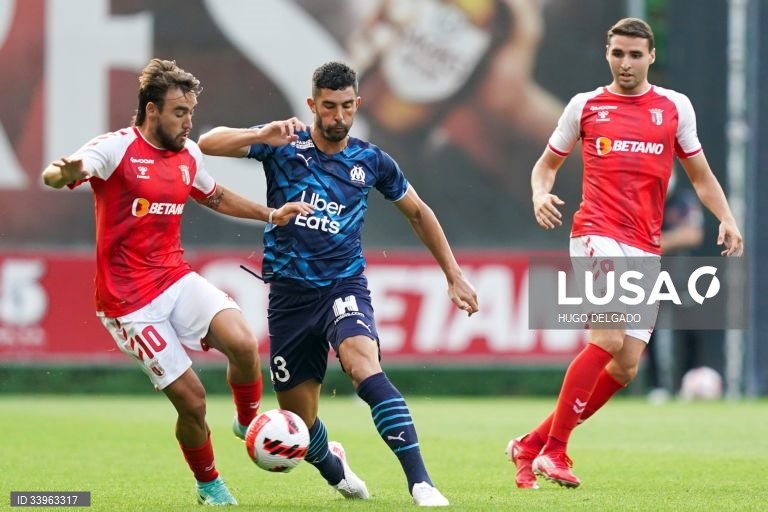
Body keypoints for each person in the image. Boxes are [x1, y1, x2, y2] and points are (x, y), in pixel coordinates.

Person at [198, 61, 479, 507]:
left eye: (347, 106)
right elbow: (206, 143)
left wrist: (453, 274)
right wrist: (259, 135)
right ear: (312, 104)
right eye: (329, 107)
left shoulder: (371, 161)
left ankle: (420, 481)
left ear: (357, 104)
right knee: (299, 422)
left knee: (362, 363)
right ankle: (335, 467)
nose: (338, 117)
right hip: (289, 298)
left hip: (343, 286)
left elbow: (418, 212)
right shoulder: (283, 144)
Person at [41, 58, 313, 506]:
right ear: (151, 110)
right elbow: (62, 172)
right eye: (179, 113)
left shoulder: (189, 153)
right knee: (193, 401)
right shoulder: (115, 149)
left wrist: (270, 214)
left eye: (190, 112)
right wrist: (64, 173)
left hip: (174, 277)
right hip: (128, 302)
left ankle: (248, 425)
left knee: (244, 344)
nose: (188, 123)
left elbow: (216, 194)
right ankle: (209, 484)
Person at [507, 18, 744, 489]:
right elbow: (546, 165)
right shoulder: (586, 105)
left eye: (636, 54)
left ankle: (530, 443)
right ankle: (555, 451)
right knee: (609, 338)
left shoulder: (675, 108)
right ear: (607, 53)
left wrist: (727, 217)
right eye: (618, 53)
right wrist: (539, 194)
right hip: (596, 232)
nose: (626, 63)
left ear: (651, 56)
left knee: (626, 364)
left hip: (644, 245)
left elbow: (699, 175)